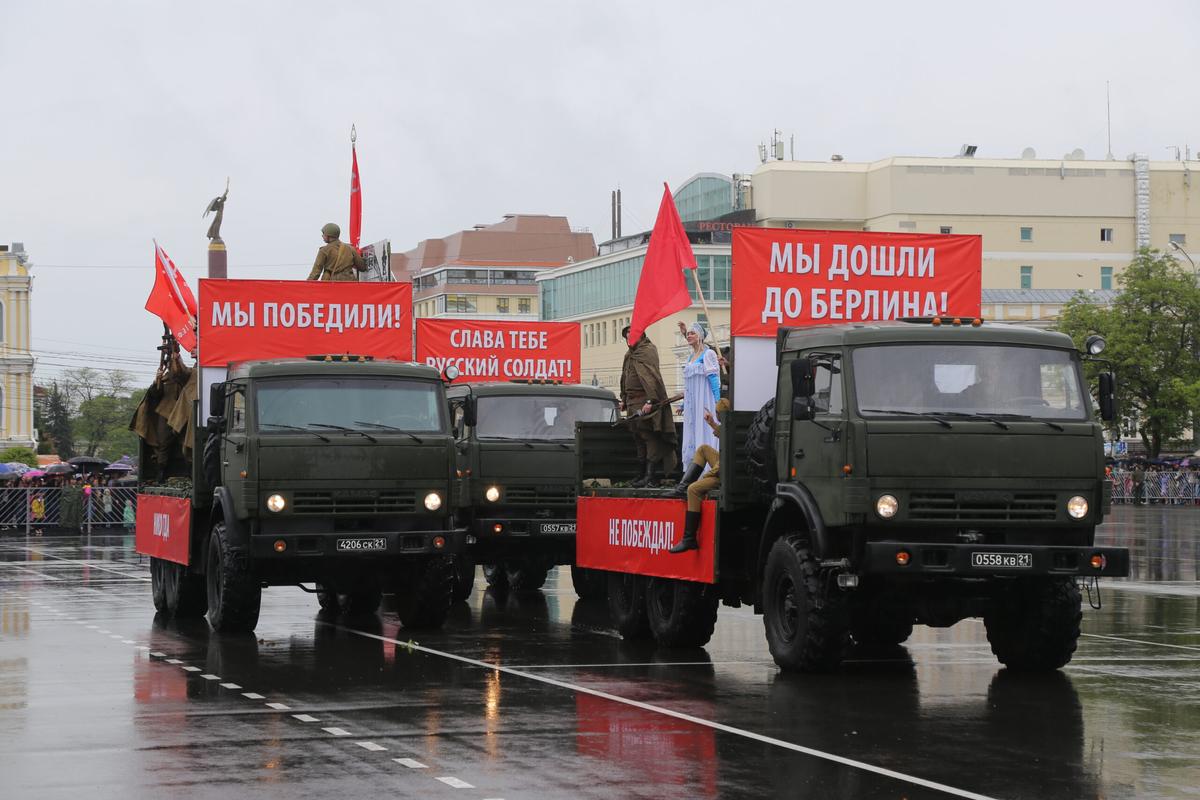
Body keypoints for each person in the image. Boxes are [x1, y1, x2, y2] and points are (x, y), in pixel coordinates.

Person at [663, 399, 730, 553]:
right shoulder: (730, 425)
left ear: (721, 414)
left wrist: (706, 476)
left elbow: (721, 466)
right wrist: (712, 423)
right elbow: (724, 434)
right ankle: (681, 488)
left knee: (693, 490)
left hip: (723, 472)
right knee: (703, 449)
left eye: (717, 413)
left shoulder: (730, 428)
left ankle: (689, 538)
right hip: (723, 467)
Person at [620, 326, 678, 487]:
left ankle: (650, 476)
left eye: (631, 336)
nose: (628, 340)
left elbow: (652, 378)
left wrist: (650, 401)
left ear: (641, 336)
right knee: (638, 437)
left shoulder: (647, 351)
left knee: (649, 437)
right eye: (626, 337)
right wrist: (624, 398)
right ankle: (641, 474)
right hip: (632, 403)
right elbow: (625, 376)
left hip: (644, 401)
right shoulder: (629, 355)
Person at [677, 321, 720, 468]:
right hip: (692, 404)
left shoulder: (708, 354)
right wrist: (684, 403)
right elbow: (688, 385)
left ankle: (707, 468)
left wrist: (717, 401)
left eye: (692, 333)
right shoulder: (691, 358)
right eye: (687, 334)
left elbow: (714, 379)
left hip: (704, 400)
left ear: (700, 336)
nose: (689, 335)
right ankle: (694, 467)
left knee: (705, 430)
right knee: (692, 432)